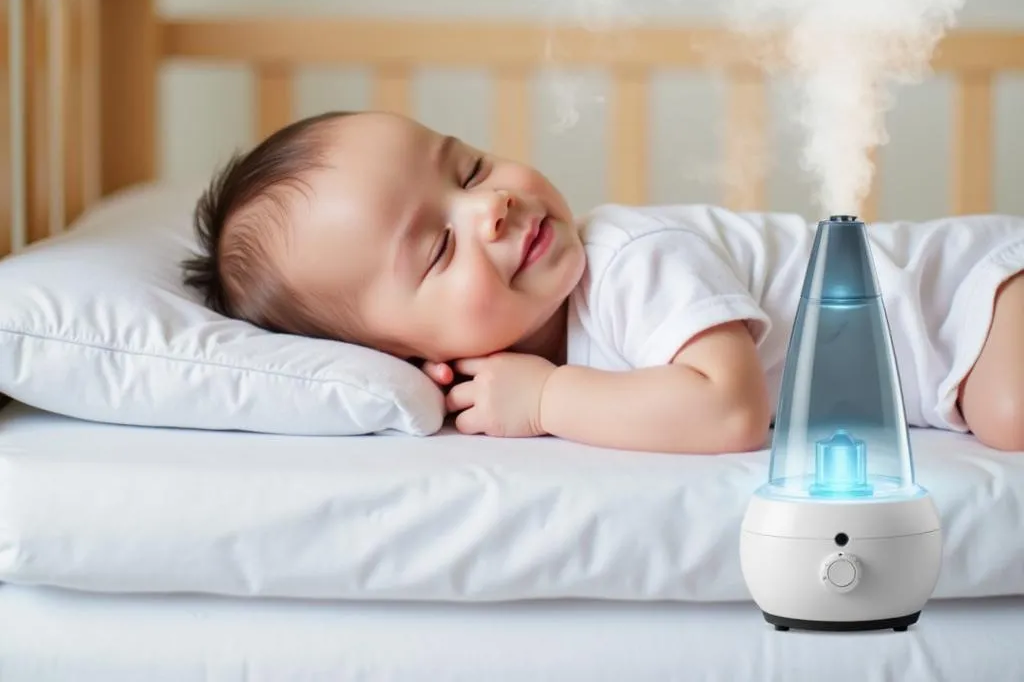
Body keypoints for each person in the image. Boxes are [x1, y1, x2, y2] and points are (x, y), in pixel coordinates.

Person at [182, 110, 1024, 454]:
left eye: (469, 167)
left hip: (969, 300)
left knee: (1010, 411)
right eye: (437, 250)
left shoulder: (631, 256)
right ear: (411, 359)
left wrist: (548, 401)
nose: (494, 207)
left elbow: (729, 409)